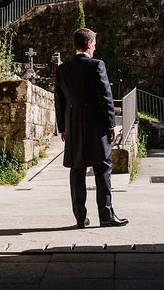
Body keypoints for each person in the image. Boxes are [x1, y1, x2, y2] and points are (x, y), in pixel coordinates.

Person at [54, 28, 129, 228]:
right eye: (94, 44)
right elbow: (106, 97)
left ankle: (80, 218)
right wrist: (112, 124)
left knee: (77, 170)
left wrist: (63, 127)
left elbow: (59, 102)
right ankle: (106, 215)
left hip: (73, 126)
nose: (95, 48)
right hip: (96, 125)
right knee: (102, 168)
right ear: (89, 44)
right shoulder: (97, 65)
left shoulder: (62, 69)